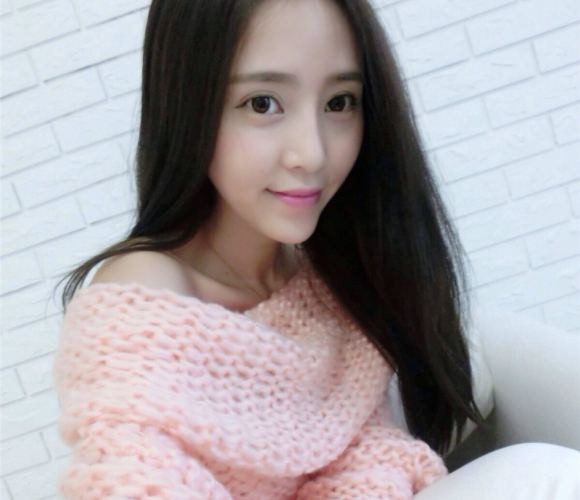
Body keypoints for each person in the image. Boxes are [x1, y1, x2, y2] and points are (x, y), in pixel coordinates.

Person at [51, 0, 580, 498]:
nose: (313, 152)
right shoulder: (144, 293)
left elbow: (369, 446)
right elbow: (127, 478)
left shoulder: (323, 276)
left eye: (339, 103)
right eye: (263, 103)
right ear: (185, 106)